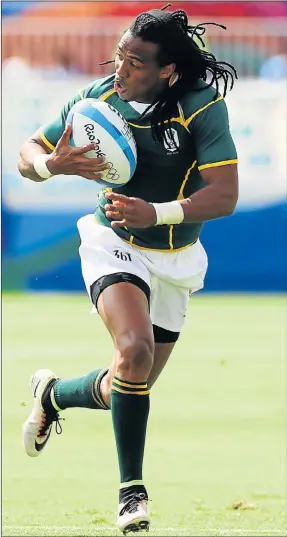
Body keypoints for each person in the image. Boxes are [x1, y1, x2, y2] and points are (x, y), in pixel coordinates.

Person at [18, 5, 238, 534]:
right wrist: (52, 164)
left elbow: (225, 195)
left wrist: (160, 212)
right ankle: (131, 494)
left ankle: (53, 394)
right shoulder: (97, 99)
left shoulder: (199, 107)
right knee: (133, 350)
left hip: (177, 256)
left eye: (135, 62)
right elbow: (27, 153)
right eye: (119, 56)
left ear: (168, 71)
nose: (120, 69)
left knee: (128, 383)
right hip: (112, 239)